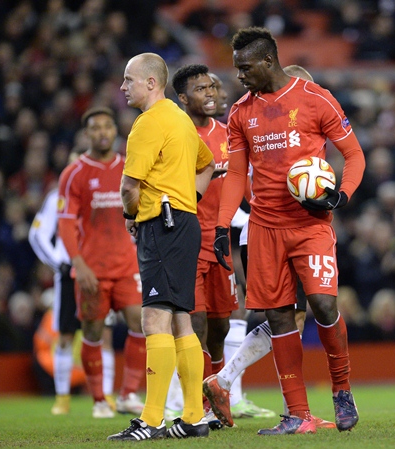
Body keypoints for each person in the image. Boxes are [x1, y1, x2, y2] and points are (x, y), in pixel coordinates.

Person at [211, 28, 365, 435]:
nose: (239, 76)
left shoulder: (315, 98)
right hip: (264, 227)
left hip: (310, 225)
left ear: (267, 62)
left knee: (323, 305)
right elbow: (235, 174)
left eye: (245, 68)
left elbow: (353, 154)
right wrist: (223, 223)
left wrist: (341, 197)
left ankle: (342, 388)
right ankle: (297, 415)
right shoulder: (241, 112)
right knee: (279, 317)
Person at [203, 64, 335, 429]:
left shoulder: (287, 133)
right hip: (263, 229)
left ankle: (235, 385)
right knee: (282, 318)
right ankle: (228, 383)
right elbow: (243, 181)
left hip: (272, 229)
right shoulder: (261, 125)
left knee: (290, 318)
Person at [108, 52, 215, 441]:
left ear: (151, 83)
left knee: (153, 319)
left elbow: (128, 187)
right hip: (183, 224)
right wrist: (190, 201)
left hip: (162, 226)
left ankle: (150, 420)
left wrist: (130, 216)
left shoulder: (148, 124)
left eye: (128, 79)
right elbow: (207, 164)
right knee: (182, 319)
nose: (123, 87)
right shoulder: (181, 120)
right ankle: (192, 417)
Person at [170, 64, 274, 424]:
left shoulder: (229, 134)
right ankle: (192, 409)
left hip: (220, 242)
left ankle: (217, 394)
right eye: (201, 89)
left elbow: (244, 187)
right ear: (182, 98)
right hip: (185, 243)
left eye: (212, 87)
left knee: (221, 328)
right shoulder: (175, 135)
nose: (211, 93)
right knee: (194, 326)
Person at [57, 107, 146, 419]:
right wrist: (78, 264)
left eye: (108, 126)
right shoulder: (74, 174)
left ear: (115, 131)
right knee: (93, 330)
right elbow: (66, 223)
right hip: (92, 269)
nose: (103, 133)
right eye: (95, 128)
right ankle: (98, 399)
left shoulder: (130, 168)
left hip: (127, 265)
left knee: (141, 322)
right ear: (87, 134)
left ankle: (129, 394)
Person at [29, 183, 116, 416]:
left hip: (100, 269)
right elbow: (37, 234)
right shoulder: (57, 197)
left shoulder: (105, 191)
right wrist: (59, 264)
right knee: (65, 335)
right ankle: (62, 397)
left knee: (103, 334)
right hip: (69, 273)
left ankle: (105, 396)